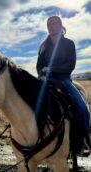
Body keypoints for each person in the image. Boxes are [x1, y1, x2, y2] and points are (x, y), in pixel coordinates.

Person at [36, 15, 91, 153]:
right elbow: (39, 66)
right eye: (49, 24)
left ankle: (85, 138)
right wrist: (42, 75)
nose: (51, 26)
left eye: (54, 23)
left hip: (64, 80)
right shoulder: (43, 46)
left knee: (82, 106)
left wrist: (50, 69)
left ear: (60, 26)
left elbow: (70, 66)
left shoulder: (69, 43)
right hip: (46, 81)